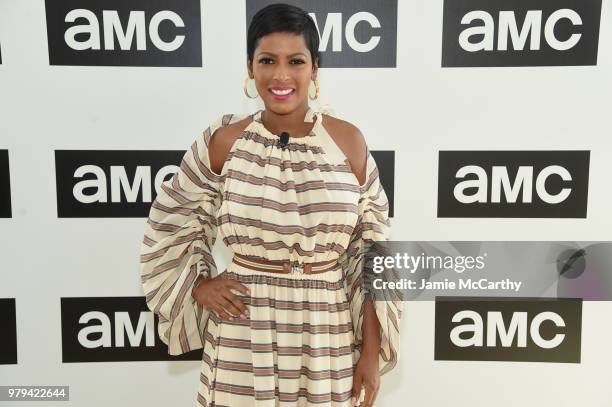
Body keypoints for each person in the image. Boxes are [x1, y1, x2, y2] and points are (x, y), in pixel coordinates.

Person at [139, 3, 402, 406]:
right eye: (267, 60)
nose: (281, 75)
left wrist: (369, 351)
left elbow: (372, 254)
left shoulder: (348, 142)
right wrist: (198, 284)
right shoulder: (224, 142)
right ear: (250, 68)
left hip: (324, 330)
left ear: (314, 69)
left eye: (295, 61)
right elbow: (173, 219)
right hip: (243, 326)